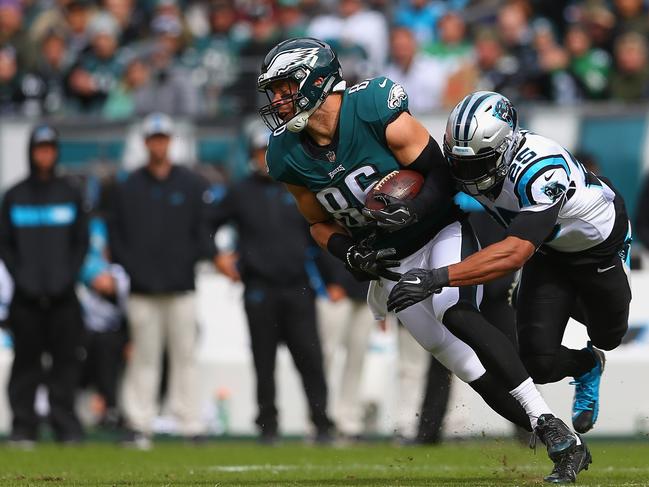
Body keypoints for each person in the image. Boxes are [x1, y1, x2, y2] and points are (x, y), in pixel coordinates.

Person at [258, 37, 583, 482]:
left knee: (457, 314)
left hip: (437, 232)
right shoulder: (286, 153)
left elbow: (442, 173)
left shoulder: (372, 108)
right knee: (461, 362)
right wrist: (347, 251)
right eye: (272, 90)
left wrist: (413, 209)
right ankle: (557, 437)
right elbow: (317, 224)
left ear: (316, 82)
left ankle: (550, 426)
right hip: (390, 263)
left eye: (283, 87)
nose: (276, 100)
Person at [389, 90, 631, 478]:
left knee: (609, 333)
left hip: (596, 250)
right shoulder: (471, 159)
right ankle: (586, 364)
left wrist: (438, 277)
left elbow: (514, 252)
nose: (464, 173)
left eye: (477, 163)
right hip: (548, 255)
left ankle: (594, 349)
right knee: (535, 362)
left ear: (503, 148)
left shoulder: (541, 168)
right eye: (458, 160)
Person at [210, 125, 334, 444]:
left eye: (267, 151)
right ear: (250, 154)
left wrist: (335, 280)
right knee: (263, 362)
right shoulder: (240, 191)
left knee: (310, 358)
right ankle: (268, 425)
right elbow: (205, 223)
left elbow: (322, 231)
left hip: (298, 286)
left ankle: (321, 423)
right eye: (257, 152)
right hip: (259, 288)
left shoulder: (299, 186)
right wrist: (217, 256)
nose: (263, 159)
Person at [109, 112, 214, 449]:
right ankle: (139, 423)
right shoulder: (128, 186)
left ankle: (191, 423)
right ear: (145, 143)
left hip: (181, 286)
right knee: (144, 358)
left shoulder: (191, 183)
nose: (158, 144)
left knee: (185, 356)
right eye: (153, 139)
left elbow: (203, 232)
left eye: (163, 138)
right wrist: (134, 270)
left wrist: (191, 262)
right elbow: (117, 237)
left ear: (169, 142)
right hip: (142, 289)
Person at [0, 123, 88, 445]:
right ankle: (24, 426)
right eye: (40, 148)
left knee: (65, 365)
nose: (45, 154)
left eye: (50, 148)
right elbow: (6, 244)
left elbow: (81, 242)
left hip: (63, 296)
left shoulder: (71, 193)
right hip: (26, 298)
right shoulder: (14, 195)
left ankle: (65, 425)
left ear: (56, 152)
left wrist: (68, 276)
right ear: (31, 151)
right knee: (26, 365)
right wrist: (21, 278)